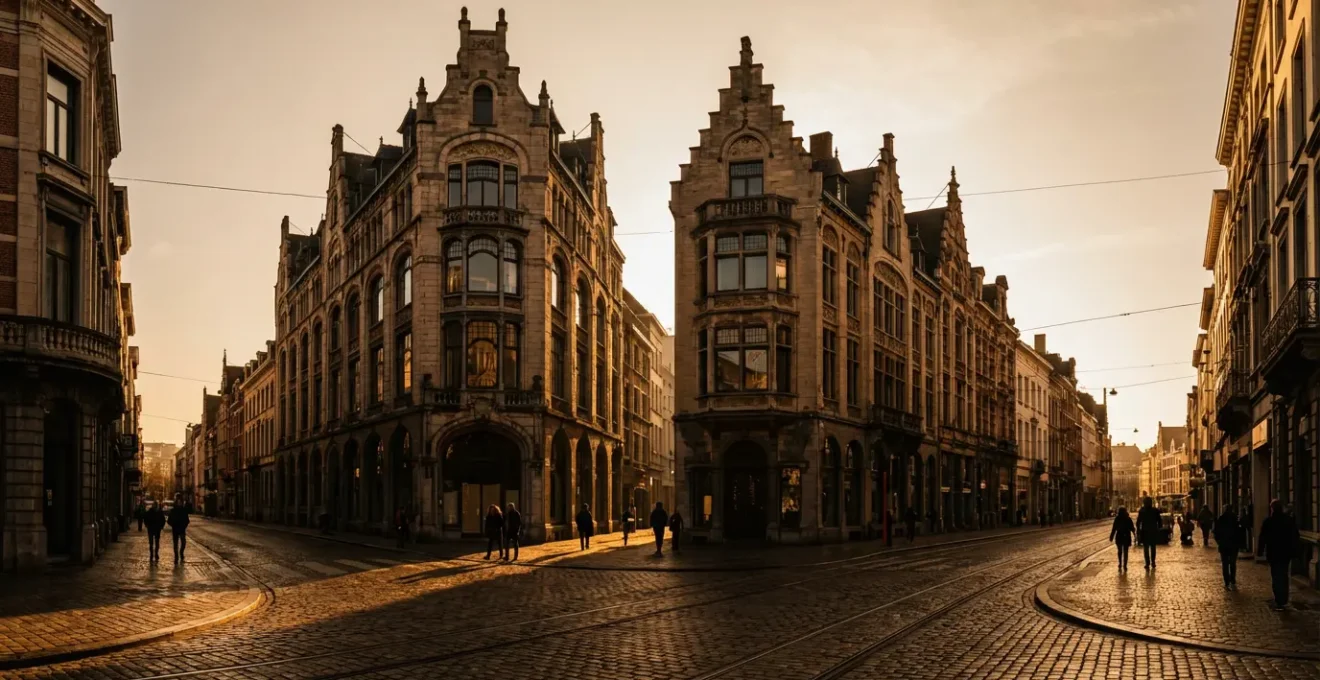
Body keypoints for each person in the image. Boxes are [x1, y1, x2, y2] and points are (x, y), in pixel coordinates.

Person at [1257, 499, 1300, 610]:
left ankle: (1279, 599)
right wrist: (1294, 550)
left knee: (1276, 575)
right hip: (1285, 552)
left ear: (1272, 509)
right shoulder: (1288, 520)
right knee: (1284, 574)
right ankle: (1284, 598)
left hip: (1273, 552)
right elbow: (1295, 536)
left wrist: (1260, 551)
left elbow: (1263, 537)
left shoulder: (1269, 521)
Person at [1213, 503, 1241, 589]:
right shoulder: (1235, 519)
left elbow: (1215, 532)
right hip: (1233, 545)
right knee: (1232, 563)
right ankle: (1232, 579)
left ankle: (1227, 581)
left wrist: (1219, 541)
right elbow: (1239, 532)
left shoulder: (1221, 519)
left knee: (1225, 564)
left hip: (1224, 545)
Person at [1135, 497, 1161, 570]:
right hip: (1152, 531)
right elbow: (1159, 521)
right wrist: (1159, 528)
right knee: (1152, 547)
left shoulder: (1142, 511)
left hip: (1145, 531)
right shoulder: (1155, 511)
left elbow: (1138, 522)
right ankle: (1152, 562)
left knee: (1146, 548)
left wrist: (1138, 531)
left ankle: (1147, 563)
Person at [1109, 506, 1135, 572]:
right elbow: (1132, 528)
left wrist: (1111, 536)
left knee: (1120, 551)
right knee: (1125, 552)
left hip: (1119, 536)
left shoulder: (1117, 518)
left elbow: (1114, 528)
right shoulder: (1128, 518)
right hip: (1126, 536)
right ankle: (1125, 565)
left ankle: (1120, 563)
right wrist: (1135, 535)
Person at [167, 495, 190, 564]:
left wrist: (184, 525)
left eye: (180, 502)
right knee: (175, 544)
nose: (179, 503)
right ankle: (176, 556)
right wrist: (173, 524)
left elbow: (187, 520)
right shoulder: (173, 511)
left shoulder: (184, 510)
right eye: (178, 502)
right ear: (176, 502)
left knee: (183, 542)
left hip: (182, 529)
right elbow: (169, 520)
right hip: (175, 529)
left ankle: (181, 552)